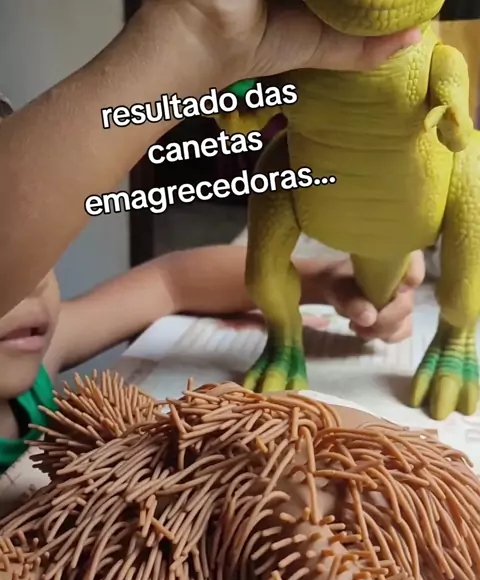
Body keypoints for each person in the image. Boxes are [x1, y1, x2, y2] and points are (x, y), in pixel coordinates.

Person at [0, 2, 424, 472]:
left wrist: (323, 280)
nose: (34, 281)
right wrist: (188, 36)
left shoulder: (39, 357)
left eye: (41, 253)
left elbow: (172, 280)